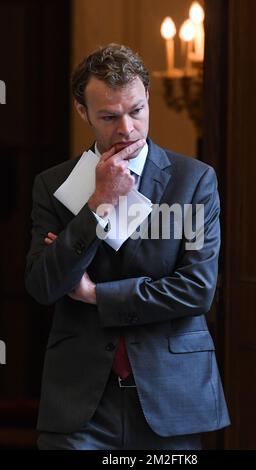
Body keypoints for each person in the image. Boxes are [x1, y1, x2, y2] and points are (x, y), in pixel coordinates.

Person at [25, 43, 230, 450]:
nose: (127, 129)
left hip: (171, 395)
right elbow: (43, 285)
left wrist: (95, 294)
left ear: (149, 98)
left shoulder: (194, 181)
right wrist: (97, 203)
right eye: (109, 116)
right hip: (79, 403)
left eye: (136, 110)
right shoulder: (52, 185)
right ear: (82, 112)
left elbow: (197, 288)